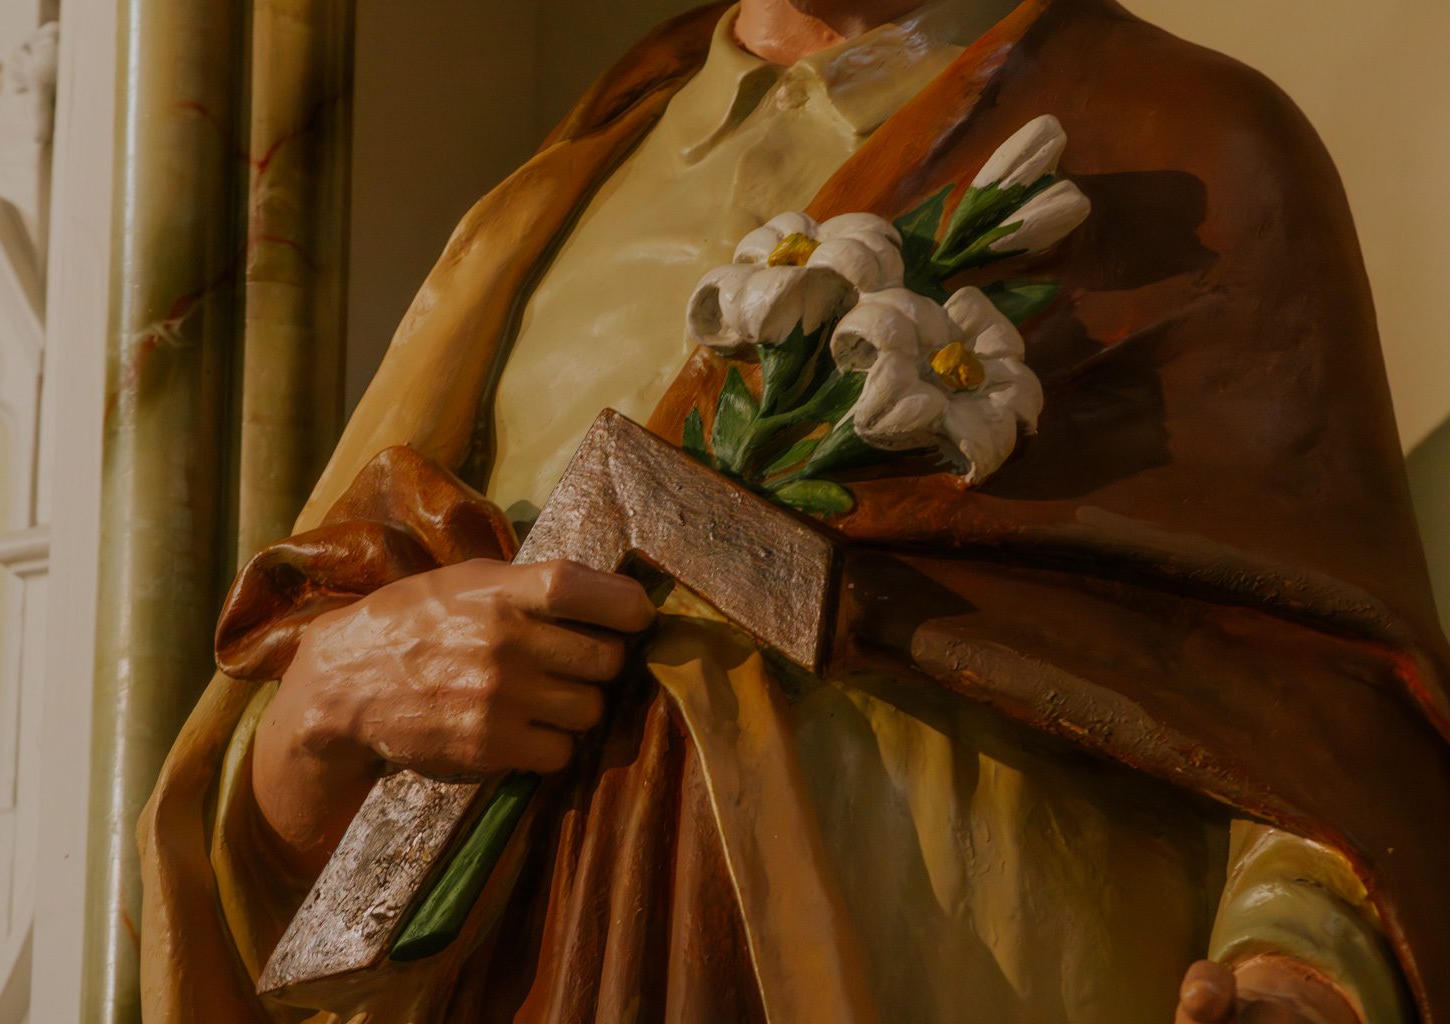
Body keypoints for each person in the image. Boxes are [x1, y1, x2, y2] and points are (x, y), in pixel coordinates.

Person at [140, 1, 1450, 1021]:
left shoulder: (1183, 150)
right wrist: (327, 711)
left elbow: (1324, 728)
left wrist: (1303, 974)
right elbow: (268, 865)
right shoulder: (543, 209)